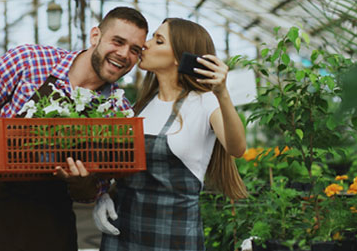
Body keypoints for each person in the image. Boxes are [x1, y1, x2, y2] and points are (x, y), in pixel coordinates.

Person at [0, 6, 148, 251]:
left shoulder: (117, 111)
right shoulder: (30, 60)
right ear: (95, 36)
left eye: (134, 50)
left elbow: (93, 191)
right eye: (118, 41)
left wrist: (81, 182)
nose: (124, 54)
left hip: (50, 223)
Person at [93, 18, 248, 251]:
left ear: (179, 57)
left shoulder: (204, 103)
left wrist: (222, 93)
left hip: (173, 236)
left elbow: (237, 148)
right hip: (123, 231)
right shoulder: (138, 107)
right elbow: (129, 170)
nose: (145, 44)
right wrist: (104, 194)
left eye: (158, 40)